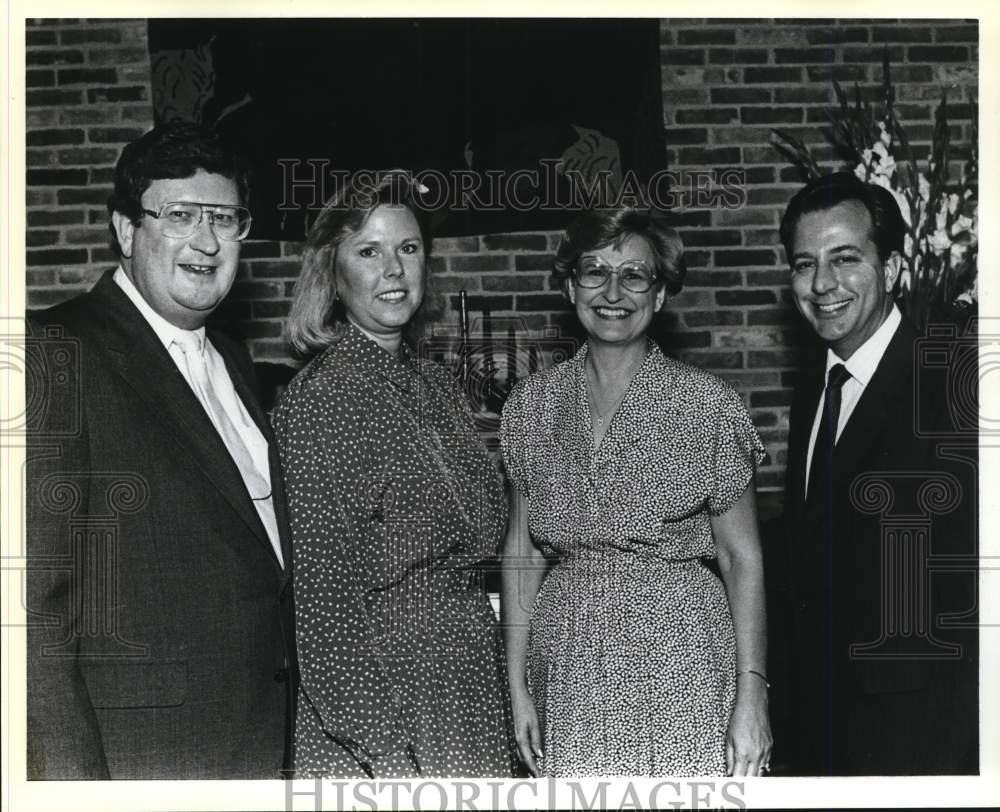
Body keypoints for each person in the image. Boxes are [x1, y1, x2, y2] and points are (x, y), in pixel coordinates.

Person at [25, 122, 296, 779]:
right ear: (125, 230)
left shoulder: (233, 359)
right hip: (142, 761)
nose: (206, 242)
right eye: (180, 216)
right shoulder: (54, 350)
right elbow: (34, 616)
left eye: (225, 219)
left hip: (257, 745)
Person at [499, 207, 772, 777]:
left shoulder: (706, 406)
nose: (613, 291)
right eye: (595, 271)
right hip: (567, 664)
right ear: (571, 285)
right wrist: (518, 683)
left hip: (683, 658)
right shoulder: (531, 406)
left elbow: (740, 556)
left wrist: (752, 694)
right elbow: (522, 554)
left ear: (661, 293)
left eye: (635, 275)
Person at [273, 172, 514, 779]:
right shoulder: (320, 401)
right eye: (369, 251)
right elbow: (323, 606)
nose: (394, 269)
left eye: (408, 248)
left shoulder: (433, 384)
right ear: (333, 271)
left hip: (465, 682)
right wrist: (385, 757)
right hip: (382, 701)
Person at [778, 171, 978, 775]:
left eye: (844, 259)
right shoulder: (814, 391)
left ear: (891, 270)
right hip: (821, 727)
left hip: (920, 733)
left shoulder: (952, 386)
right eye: (803, 264)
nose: (822, 284)